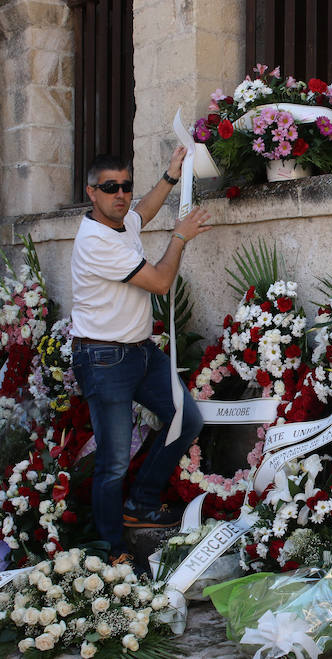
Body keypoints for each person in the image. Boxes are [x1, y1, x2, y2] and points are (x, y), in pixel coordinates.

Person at [70, 147, 211, 562]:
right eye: (109, 187)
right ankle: (111, 550)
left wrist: (168, 176)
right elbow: (162, 282)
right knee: (112, 464)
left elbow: (141, 214)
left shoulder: (119, 222)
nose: (120, 194)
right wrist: (180, 237)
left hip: (140, 352)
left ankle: (141, 504)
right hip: (104, 360)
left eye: (125, 186)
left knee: (186, 419)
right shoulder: (96, 241)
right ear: (91, 192)